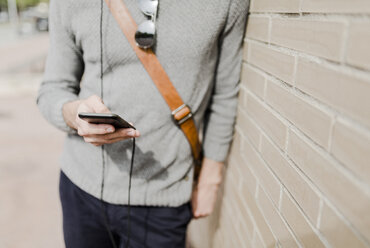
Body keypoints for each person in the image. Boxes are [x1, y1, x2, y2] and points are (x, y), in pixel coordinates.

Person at [37, 0, 249, 247]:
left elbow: (224, 94)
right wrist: (75, 115)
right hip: (82, 189)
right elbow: (53, 89)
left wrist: (211, 177)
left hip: (164, 198)